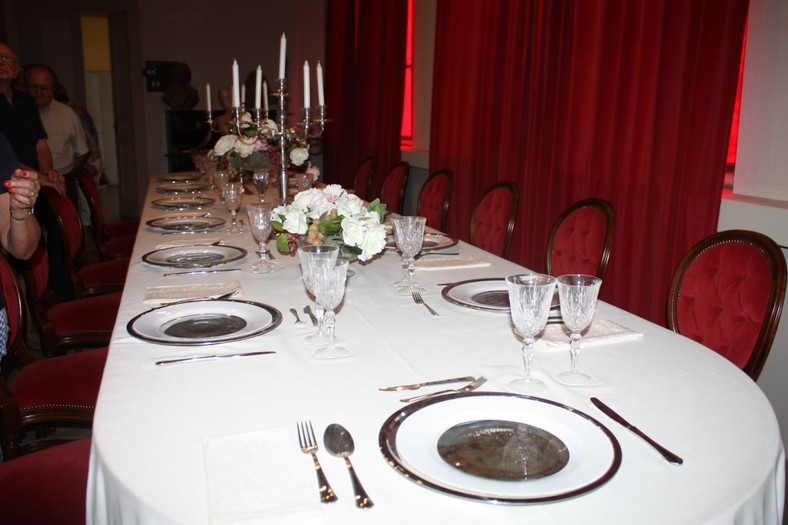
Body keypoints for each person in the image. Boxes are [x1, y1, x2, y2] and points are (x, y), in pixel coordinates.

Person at [25, 64, 89, 209]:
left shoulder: (67, 114)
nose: (38, 93)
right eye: (33, 87)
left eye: (44, 88)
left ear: (53, 89)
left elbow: (82, 152)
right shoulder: (16, 114)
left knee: (66, 223)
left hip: (61, 182)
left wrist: (68, 174)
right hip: (27, 184)